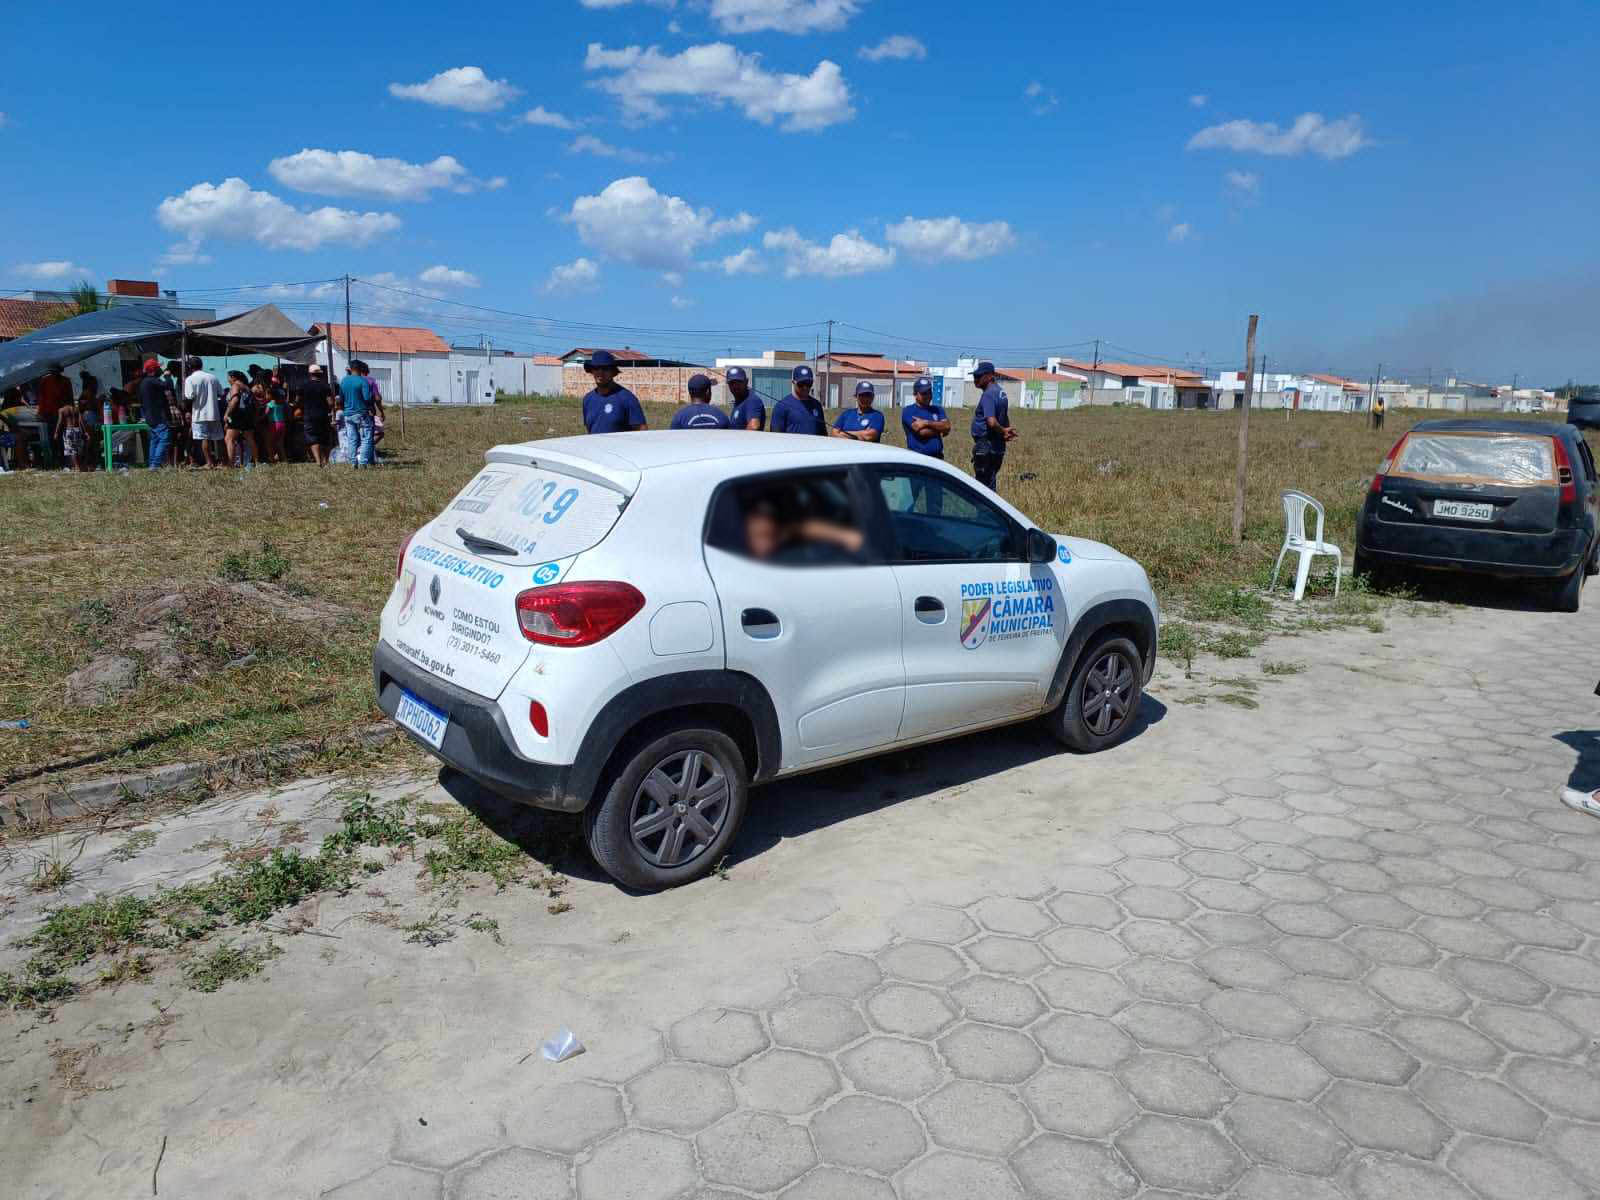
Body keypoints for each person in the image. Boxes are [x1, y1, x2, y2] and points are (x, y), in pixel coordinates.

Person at [969, 360, 1017, 490]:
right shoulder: (1001, 393)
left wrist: (1002, 431)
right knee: (990, 481)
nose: (975, 379)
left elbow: (991, 421)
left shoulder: (988, 394)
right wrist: (1005, 431)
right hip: (997, 446)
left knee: (983, 489)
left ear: (990, 376)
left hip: (986, 446)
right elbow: (1003, 417)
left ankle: (985, 511)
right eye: (974, 376)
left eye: (979, 376)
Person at [581, 350, 646, 433]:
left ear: (613, 372)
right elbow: (590, 430)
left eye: (605, 369)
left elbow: (642, 431)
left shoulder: (627, 399)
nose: (600, 372)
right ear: (592, 371)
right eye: (596, 368)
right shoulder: (588, 399)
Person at [185, 357, 225, 469]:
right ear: (201, 365)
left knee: (204, 438)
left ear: (190, 367)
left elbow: (189, 396)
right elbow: (221, 393)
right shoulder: (213, 377)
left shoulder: (190, 379)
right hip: (214, 413)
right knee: (219, 438)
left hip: (199, 414)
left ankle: (209, 462)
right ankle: (223, 462)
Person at [902, 376, 951, 459]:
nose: (928, 395)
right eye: (923, 393)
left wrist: (926, 422)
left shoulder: (938, 409)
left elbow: (947, 426)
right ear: (915, 394)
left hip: (938, 458)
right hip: (918, 459)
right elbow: (923, 432)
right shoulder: (908, 411)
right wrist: (940, 429)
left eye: (929, 392)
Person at [137, 358, 173, 469]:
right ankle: (155, 464)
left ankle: (152, 463)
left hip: (149, 416)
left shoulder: (143, 383)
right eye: (158, 368)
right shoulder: (152, 380)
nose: (160, 370)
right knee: (164, 438)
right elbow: (168, 385)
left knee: (155, 439)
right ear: (154, 369)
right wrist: (167, 375)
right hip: (157, 416)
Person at [770, 365, 826, 435]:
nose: (805, 387)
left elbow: (823, 433)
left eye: (808, 383)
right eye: (801, 384)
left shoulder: (817, 405)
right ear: (793, 382)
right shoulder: (781, 406)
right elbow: (775, 435)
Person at [339, 360, 375, 467]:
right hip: (361, 414)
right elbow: (367, 398)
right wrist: (372, 407)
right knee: (366, 438)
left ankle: (352, 462)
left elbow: (341, 398)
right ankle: (363, 462)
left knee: (352, 439)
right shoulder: (363, 381)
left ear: (350, 368)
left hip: (348, 414)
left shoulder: (344, 381)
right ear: (360, 369)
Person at [300, 366, 334, 465]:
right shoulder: (325, 386)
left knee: (313, 438)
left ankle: (318, 461)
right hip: (323, 415)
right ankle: (326, 461)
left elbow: (298, 400)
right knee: (325, 438)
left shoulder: (304, 386)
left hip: (309, 415)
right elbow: (330, 403)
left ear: (310, 374)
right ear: (320, 374)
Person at [35, 362, 71, 459]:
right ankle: (54, 457)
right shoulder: (45, 380)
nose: (54, 374)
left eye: (56, 372)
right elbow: (41, 398)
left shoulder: (66, 381)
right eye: (52, 372)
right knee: (51, 436)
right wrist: (40, 412)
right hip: (48, 413)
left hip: (61, 413)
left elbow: (69, 398)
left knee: (62, 436)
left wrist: (69, 411)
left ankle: (63, 457)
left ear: (59, 371)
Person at [223, 371, 256, 467]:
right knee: (250, 439)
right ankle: (256, 461)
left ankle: (230, 464)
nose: (228, 380)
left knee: (229, 439)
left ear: (233, 377)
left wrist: (227, 414)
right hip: (247, 415)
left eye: (228, 377)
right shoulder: (246, 387)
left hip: (237, 415)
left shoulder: (235, 386)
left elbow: (235, 400)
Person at [56, 395, 87, 472]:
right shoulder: (76, 409)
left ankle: (77, 467)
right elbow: (81, 421)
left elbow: (59, 422)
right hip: (77, 430)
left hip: (68, 430)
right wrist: (85, 431)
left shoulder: (62, 410)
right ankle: (80, 465)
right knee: (77, 449)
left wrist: (56, 432)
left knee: (71, 449)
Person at [263, 381, 289, 463]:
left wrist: (259, 418)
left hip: (273, 424)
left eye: (266, 394)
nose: (265, 396)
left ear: (270, 395)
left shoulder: (270, 404)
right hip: (282, 424)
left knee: (269, 443)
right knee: (280, 443)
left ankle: (272, 459)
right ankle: (284, 459)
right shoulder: (282, 403)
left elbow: (266, 414)